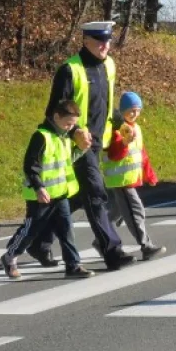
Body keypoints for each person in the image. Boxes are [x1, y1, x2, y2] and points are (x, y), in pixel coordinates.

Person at [32, 21, 135, 272]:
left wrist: (121, 125)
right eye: (100, 41)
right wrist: (76, 131)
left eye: (108, 41)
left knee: (75, 197)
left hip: (98, 143)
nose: (105, 46)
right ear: (86, 41)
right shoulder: (70, 70)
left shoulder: (109, 65)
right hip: (73, 146)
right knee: (97, 194)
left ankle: (39, 240)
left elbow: (106, 105)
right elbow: (53, 112)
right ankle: (112, 251)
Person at [0, 99, 95, 280]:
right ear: (56, 116)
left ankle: (73, 265)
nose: (70, 128)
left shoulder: (64, 137)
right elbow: (30, 165)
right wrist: (39, 187)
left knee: (67, 229)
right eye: (68, 123)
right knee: (31, 230)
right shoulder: (41, 136)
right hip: (40, 196)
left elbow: (65, 162)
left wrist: (81, 150)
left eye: (73, 124)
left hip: (60, 194)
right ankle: (10, 256)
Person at [102, 92, 166, 260]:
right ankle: (146, 246)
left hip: (130, 179)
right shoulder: (118, 129)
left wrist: (149, 174)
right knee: (135, 211)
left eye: (137, 111)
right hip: (121, 181)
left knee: (116, 213)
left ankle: (100, 238)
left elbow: (141, 154)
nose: (134, 114)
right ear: (122, 111)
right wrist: (124, 143)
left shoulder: (135, 128)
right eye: (131, 111)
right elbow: (113, 154)